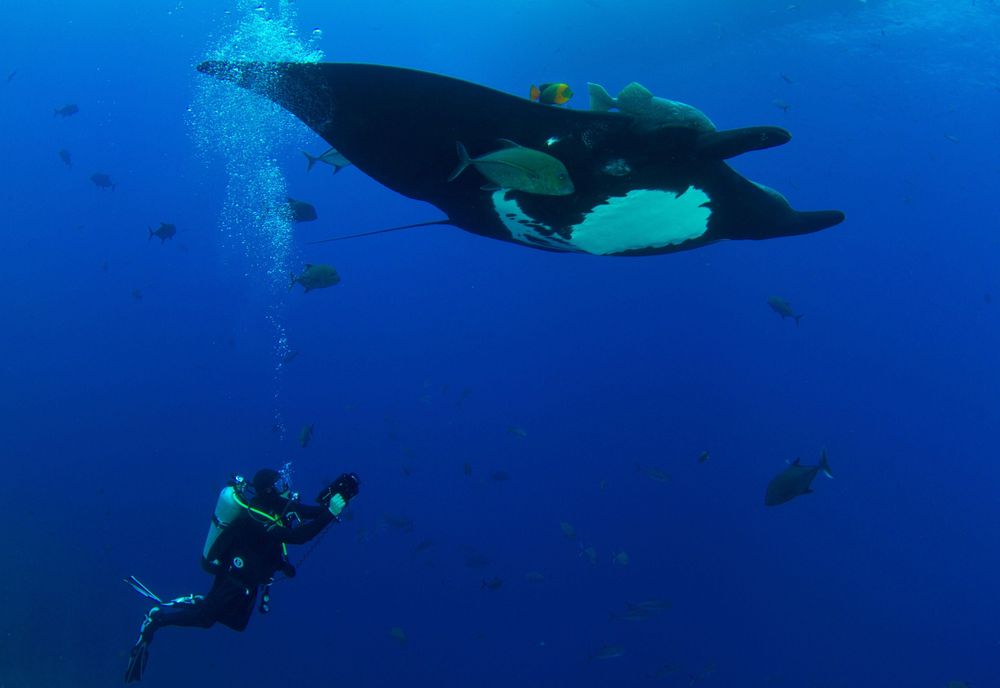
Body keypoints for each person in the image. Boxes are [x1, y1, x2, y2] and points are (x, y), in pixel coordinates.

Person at [123, 468, 360, 683]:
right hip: (233, 579)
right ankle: (156, 620)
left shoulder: (277, 505)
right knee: (205, 619)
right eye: (278, 485)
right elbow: (298, 537)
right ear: (267, 490)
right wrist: (330, 514)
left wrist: (338, 497)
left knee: (236, 624)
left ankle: (202, 602)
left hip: (248, 581)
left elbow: (312, 513)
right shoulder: (255, 516)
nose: (284, 489)